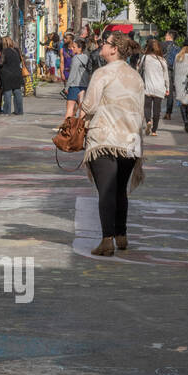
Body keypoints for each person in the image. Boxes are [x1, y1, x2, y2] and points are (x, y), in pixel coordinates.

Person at [78, 33, 146, 256]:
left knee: (106, 191)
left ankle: (107, 240)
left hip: (105, 139)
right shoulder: (136, 76)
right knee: (119, 190)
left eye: (105, 43)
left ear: (114, 49)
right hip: (130, 141)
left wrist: (80, 100)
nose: (101, 46)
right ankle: (121, 235)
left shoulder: (102, 73)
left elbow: (89, 106)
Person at [138, 37, 169, 135]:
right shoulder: (162, 60)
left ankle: (148, 121)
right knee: (157, 109)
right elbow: (166, 76)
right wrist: (167, 88)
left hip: (147, 87)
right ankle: (154, 130)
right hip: (159, 88)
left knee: (147, 107)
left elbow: (139, 70)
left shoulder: (145, 58)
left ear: (148, 47)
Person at [0, 37, 25, 115]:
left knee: (7, 92)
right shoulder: (16, 50)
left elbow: (0, 63)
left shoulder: (4, 51)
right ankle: (19, 111)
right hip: (17, 74)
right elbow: (20, 60)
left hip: (7, 75)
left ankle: (7, 111)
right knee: (17, 92)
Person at [63, 35, 90, 119]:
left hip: (74, 85)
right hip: (84, 85)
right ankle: (81, 125)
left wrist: (67, 86)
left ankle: (67, 125)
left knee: (70, 108)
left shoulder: (76, 58)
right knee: (82, 109)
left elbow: (72, 74)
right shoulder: (86, 57)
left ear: (80, 48)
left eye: (74, 47)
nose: (72, 48)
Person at [162, 30, 179, 122]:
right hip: (173, 71)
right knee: (170, 92)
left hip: (163, 70)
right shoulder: (177, 47)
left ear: (169, 36)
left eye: (166, 35)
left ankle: (155, 112)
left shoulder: (162, 45)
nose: (165, 36)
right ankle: (168, 113)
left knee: (158, 90)